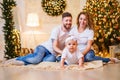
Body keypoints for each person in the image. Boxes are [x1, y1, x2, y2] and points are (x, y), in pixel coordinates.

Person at [3, 12, 74, 65]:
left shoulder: (72, 31)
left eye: (70, 20)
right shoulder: (56, 30)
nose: (68, 22)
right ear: (62, 21)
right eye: (66, 20)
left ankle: (27, 61)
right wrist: (64, 53)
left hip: (52, 54)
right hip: (44, 48)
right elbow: (54, 46)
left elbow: (68, 44)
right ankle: (17, 59)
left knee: (50, 61)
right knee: (36, 59)